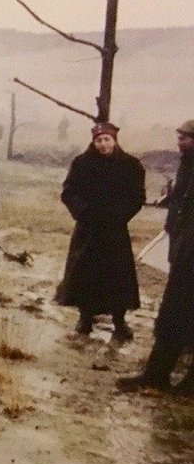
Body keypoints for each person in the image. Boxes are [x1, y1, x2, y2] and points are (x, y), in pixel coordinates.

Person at [118, 119, 194, 394]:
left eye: (185, 137)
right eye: (179, 136)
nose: (179, 141)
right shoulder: (187, 164)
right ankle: (156, 375)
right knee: (172, 316)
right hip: (183, 252)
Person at [55, 123, 145, 341]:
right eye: (99, 140)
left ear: (114, 140)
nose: (103, 145)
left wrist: (120, 215)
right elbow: (68, 192)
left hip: (115, 231)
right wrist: (84, 212)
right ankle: (85, 318)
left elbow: (137, 197)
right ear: (93, 142)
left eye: (107, 140)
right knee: (85, 272)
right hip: (88, 229)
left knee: (117, 275)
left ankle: (119, 321)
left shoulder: (131, 165)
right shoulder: (82, 163)